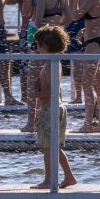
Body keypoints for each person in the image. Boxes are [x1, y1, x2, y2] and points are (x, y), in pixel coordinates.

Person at [20, 0, 70, 132]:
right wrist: (55, 26)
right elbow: (68, 17)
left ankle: (30, 123)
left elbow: (39, 20)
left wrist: (36, 28)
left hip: (39, 37)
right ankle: (58, 115)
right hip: (54, 38)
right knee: (53, 77)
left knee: (32, 80)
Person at [32, 24, 77, 189]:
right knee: (54, 146)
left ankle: (49, 180)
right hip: (55, 107)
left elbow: (51, 91)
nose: (36, 48)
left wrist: (36, 93)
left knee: (47, 147)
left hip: (50, 108)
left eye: (38, 45)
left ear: (44, 47)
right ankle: (69, 176)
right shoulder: (54, 62)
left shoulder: (50, 63)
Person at [74, 0, 100, 132]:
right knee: (97, 85)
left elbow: (75, 15)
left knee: (86, 83)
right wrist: (84, 31)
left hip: (93, 45)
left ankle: (88, 124)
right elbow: (94, 19)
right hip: (94, 42)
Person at [65, 0, 86, 105]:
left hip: (71, 22)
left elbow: (64, 7)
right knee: (85, 61)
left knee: (76, 62)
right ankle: (83, 94)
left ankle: (78, 95)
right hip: (84, 22)